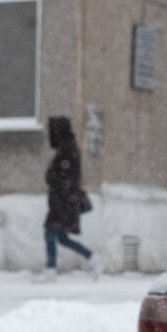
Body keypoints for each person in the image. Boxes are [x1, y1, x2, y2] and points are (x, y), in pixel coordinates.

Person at [37, 116, 101, 283]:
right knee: (61, 238)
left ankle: (51, 270)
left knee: (50, 233)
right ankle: (93, 258)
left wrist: (51, 176)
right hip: (64, 201)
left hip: (64, 202)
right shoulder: (67, 148)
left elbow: (64, 177)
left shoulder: (67, 150)